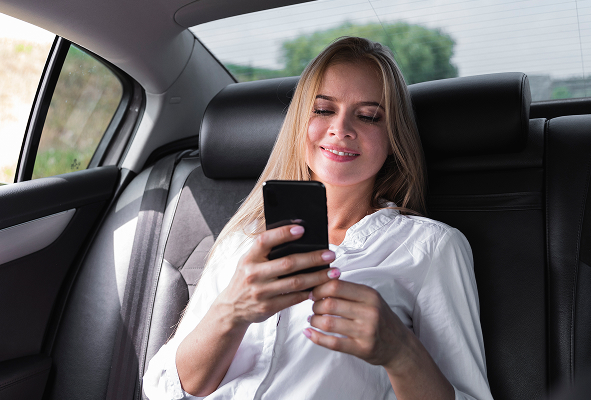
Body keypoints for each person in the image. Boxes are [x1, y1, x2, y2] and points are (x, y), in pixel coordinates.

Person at [143, 36, 493, 400]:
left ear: (393, 138)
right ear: (300, 123)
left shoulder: (431, 248)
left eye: (368, 116)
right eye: (324, 110)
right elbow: (166, 389)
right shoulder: (243, 241)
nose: (341, 128)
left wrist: (401, 353)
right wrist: (231, 310)